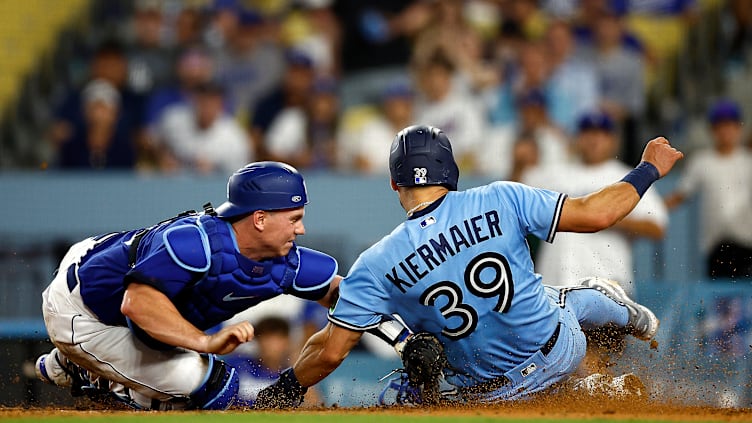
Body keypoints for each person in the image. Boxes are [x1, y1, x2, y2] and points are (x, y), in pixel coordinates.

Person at [255, 124, 683, 407]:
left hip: (491, 395)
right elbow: (598, 215)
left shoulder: (375, 263)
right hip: (562, 347)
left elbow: (329, 352)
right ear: (451, 171)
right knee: (564, 300)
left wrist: (283, 391)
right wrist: (648, 169)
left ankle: (593, 384)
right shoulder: (501, 197)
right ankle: (623, 328)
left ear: (393, 183)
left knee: (396, 397)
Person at [33, 161, 340, 410]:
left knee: (174, 354)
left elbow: (340, 293)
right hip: (82, 310)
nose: (302, 229)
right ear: (259, 219)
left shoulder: (282, 260)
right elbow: (136, 303)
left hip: (107, 275)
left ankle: (74, 364)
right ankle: (93, 373)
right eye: (294, 218)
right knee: (213, 387)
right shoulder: (197, 244)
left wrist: (380, 297)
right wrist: (205, 342)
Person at [521, 112, 667, 294]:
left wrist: (609, 216)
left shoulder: (628, 177)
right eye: (588, 133)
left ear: (613, 140)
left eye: (601, 134)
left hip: (606, 282)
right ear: (578, 139)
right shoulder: (555, 173)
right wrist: (519, 161)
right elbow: (513, 197)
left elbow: (657, 227)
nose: (594, 140)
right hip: (555, 282)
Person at [664, 99, 752, 279]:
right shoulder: (702, 161)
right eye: (720, 126)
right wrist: (650, 209)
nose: (725, 131)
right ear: (712, 130)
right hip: (716, 245)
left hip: (747, 243)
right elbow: (680, 195)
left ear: (738, 128)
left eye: (730, 125)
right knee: (720, 303)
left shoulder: (748, 161)